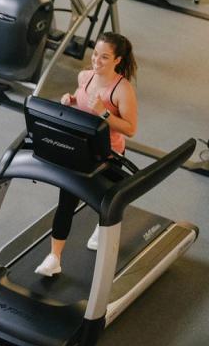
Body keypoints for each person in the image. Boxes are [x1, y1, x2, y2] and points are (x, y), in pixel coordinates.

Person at [36, 32, 140, 277]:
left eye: (104, 57)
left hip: (108, 153)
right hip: (81, 147)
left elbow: (131, 129)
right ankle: (54, 257)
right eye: (95, 54)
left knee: (104, 200)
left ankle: (100, 226)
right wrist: (71, 101)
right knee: (66, 200)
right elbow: (83, 106)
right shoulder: (85, 76)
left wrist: (104, 113)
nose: (96, 61)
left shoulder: (122, 90)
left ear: (117, 60)